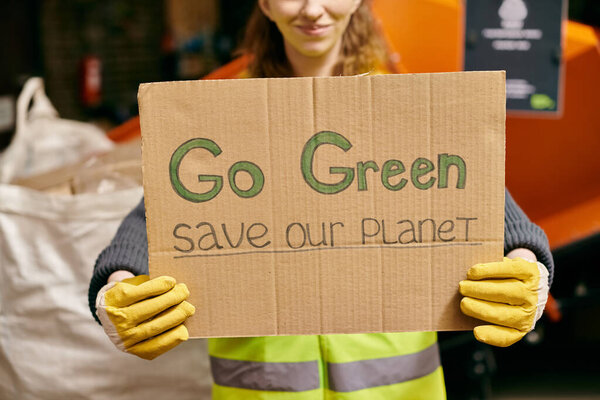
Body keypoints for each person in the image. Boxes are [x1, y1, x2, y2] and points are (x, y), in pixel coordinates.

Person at [89, 1, 554, 398]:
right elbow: (157, 213)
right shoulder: (222, 116)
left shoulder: (407, 107)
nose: (313, 9)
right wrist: (116, 281)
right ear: (265, 3)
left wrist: (528, 259)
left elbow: (485, 198)